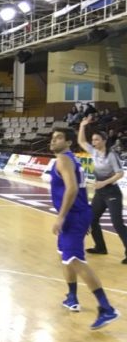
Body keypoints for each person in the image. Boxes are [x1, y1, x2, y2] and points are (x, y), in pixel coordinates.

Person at [49, 127, 119, 329]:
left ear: (68, 142)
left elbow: (72, 188)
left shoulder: (64, 159)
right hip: (77, 214)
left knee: (75, 260)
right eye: (52, 138)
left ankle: (107, 308)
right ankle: (72, 297)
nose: (53, 141)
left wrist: (62, 216)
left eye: (58, 138)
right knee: (65, 256)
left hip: (72, 216)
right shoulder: (71, 158)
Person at [78, 116, 127, 263]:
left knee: (117, 223)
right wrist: (82, 126)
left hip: (112, 193)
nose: (94, 142)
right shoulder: (94, 152)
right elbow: (81, 142)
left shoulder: (111, 155)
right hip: (100, 193)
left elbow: (120, 174)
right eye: (93, 140)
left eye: (97, 140)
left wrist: (104, 182)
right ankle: (100, 247)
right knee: (92, 220)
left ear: (104, 140)